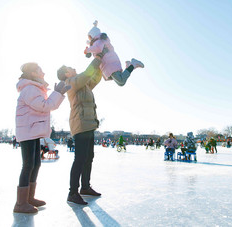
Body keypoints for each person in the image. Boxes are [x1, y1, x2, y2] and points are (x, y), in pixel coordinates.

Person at [14, 62, 69, 214]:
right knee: (28, 165)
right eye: (40, 70)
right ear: (33, 74)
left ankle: (29, 198)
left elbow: (46, 106)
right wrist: (57, 93)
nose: (43, 73)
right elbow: (45, 106)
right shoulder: (30, 89)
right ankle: (20, 203)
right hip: (28, 130)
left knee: (36, 163)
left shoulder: (35, 88)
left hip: (32, 130)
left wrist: (58, 93)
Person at [57, 48, 108, 205]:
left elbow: (93, 79)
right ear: (66, 74)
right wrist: (97, 58)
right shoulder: (70, 83)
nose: (73, 68)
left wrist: (100, 68)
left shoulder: (82, 84)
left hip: (89, 123)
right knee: (80, 158)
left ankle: (85, 187)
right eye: (69, 68)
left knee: (88, 157)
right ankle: (72, 193)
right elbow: (86, 74)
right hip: (80, 124)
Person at [84, 20, 144, 87]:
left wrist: (88, 50)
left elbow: (97, 48)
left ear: (93, 35)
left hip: (110, 64)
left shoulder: (99, 41)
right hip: (109, 64)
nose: (90, 40)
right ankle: (128, 66)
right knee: (121, 83)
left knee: (121, 80)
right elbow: (95, 49)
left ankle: (133, 64)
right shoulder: (99, 41)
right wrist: (89, 49)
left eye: (90, 38)